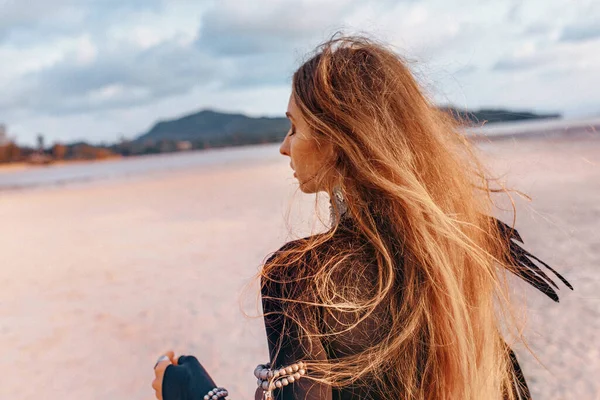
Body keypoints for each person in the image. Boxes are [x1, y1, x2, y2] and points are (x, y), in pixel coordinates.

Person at [151, 35, 572, 400]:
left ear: (337, 139)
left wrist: (193, 392)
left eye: (294, 128)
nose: (284, 147)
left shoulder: (303, 274)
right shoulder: (458, 247)